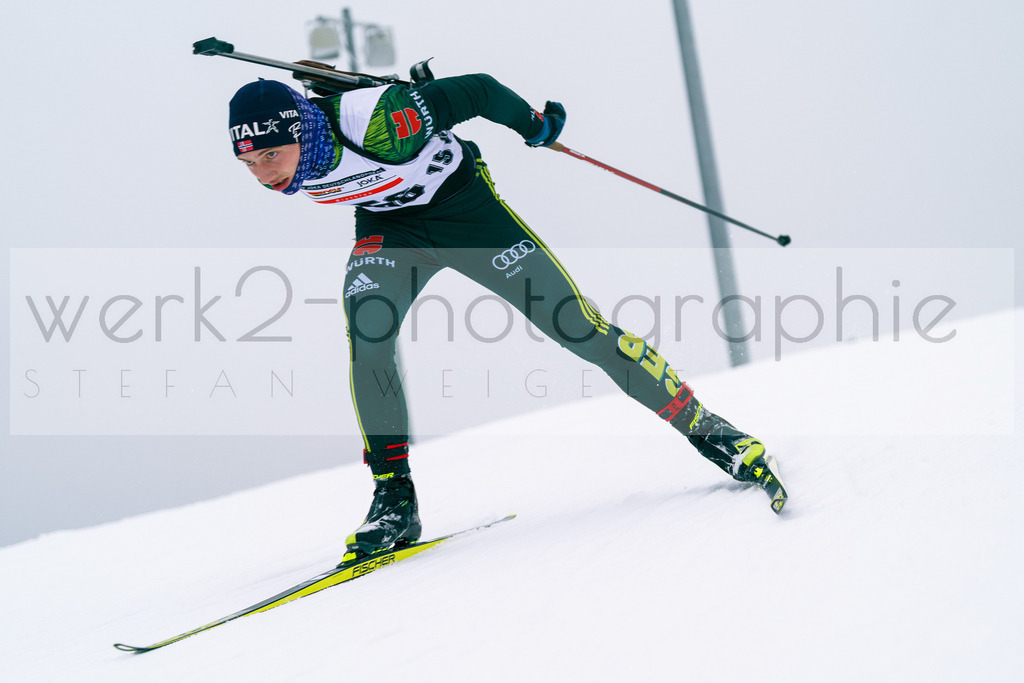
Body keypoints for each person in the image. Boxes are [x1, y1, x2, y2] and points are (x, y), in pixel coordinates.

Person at [226, 70, 783, 562]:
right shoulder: (292, 154)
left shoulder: (378, 121)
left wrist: (534, 125)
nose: (263, 175)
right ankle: (394, 499)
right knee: (368, 338)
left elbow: (482, 90)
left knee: (576, 329)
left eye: (270, 156)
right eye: (248, 163)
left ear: (299, 131)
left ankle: (714, 434)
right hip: (390, 231)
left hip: (467, 215)